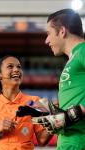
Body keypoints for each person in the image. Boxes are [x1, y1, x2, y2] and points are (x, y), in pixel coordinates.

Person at [0, 55, 52, 150]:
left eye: (19, 67)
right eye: (10, 66)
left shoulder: (34, 102)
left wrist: (54, 122)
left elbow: (42, 140)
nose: (16, 70)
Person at [37, 9, 85, 150]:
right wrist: (57, 108)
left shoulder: (82, 51)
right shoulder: (74, 57)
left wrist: (77, 111)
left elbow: (77, 110)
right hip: (68, 142)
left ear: (62, 31)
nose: (46, 41)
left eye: (48, 34)